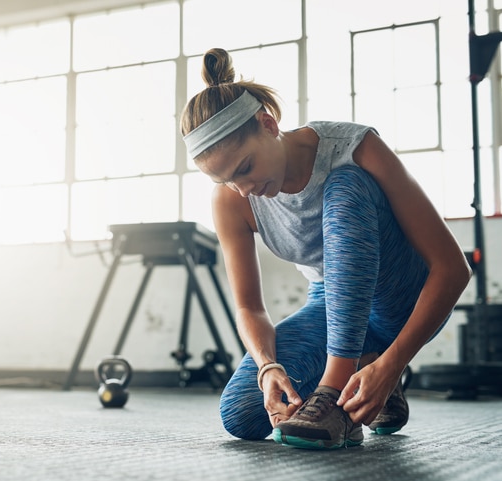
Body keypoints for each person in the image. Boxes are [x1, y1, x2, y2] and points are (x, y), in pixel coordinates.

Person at [180, 48, 471, 449]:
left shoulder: (354, 146)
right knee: (243, 412)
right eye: (226, 180)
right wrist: (268, 368)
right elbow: (249, 307)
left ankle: (337, 391)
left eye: (245, 168)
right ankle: (360, 367)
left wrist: (394, 364)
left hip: (399, 298)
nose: (242, 188)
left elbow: (453, 269)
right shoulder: (232, 200)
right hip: (333, 308)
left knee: (345, 185)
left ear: (268, 124)